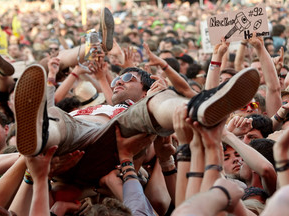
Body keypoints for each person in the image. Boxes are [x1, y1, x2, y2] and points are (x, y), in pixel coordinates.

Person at [13, 62, 260, 187]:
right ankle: (41, 136)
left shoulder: (136, 107)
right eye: (116, 79)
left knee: (160, 101)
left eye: (128, 78)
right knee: (56, 117)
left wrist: (156, 95)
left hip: (109, 143)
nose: (118, 82)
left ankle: (197, 110)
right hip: (67, 144)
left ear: (143, 89)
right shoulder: (102, 106)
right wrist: (51, 79)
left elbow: (150, 150)